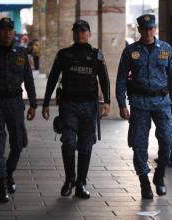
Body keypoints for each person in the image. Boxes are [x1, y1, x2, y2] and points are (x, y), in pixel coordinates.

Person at [116, 14, 172, 199]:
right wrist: (122, 104)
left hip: (162, 102)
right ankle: (144, 182)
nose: (149, 32)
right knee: (139, 144)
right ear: (139, 30)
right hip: (139, 103)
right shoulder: (131, 51)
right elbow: (121, 78)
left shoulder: (166, 49)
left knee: (169, 137)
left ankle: (160, 175)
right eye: (145, 29)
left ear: (155, 29)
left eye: (151, 28)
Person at [42, 19, 111, 199]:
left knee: (85, 145)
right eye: (77, 31)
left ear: (89, 34)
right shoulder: (64, 55)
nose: (80, 34)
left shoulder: (97, 55)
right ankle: (69, 179)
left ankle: (81, 183)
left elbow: (104, 79)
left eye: (83, 31)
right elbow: (53, 78)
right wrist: (45, 103)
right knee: (69, 143)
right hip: (69, 105)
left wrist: (108, 102)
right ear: (73, 33)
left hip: (89, 106)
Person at [0, 17, 37, 203]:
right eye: (4, 29)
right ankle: (2, 184)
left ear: (13, 31)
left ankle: (9, 172)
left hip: (15, 102)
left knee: (19, 143)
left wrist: (33, 104)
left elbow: (28, 79)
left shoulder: (21, 53)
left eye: (10, 29)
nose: (7, 32)